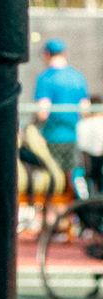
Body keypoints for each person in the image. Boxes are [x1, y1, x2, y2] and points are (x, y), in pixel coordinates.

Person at [35, 39, 92, 192]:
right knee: (73, 179)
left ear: (46, 54)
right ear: (64, 53)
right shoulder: (78, 77)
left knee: (55, 180)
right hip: (74, 137)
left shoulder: (45, 78)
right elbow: (85, 110)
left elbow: (42, 112)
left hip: (52, 138)